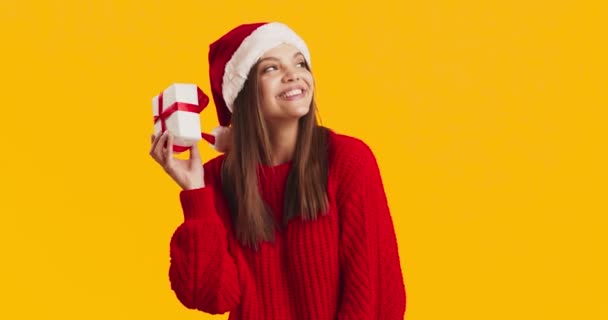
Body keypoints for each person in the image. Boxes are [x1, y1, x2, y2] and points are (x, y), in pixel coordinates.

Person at [149, 21, 406, 320]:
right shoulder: (216, 181)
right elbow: (207, 295)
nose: (293, 74)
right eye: (271, 68)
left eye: (300, 63)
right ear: (242, 93)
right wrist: (195, 193)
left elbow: (376, 299)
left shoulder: (347, 160)